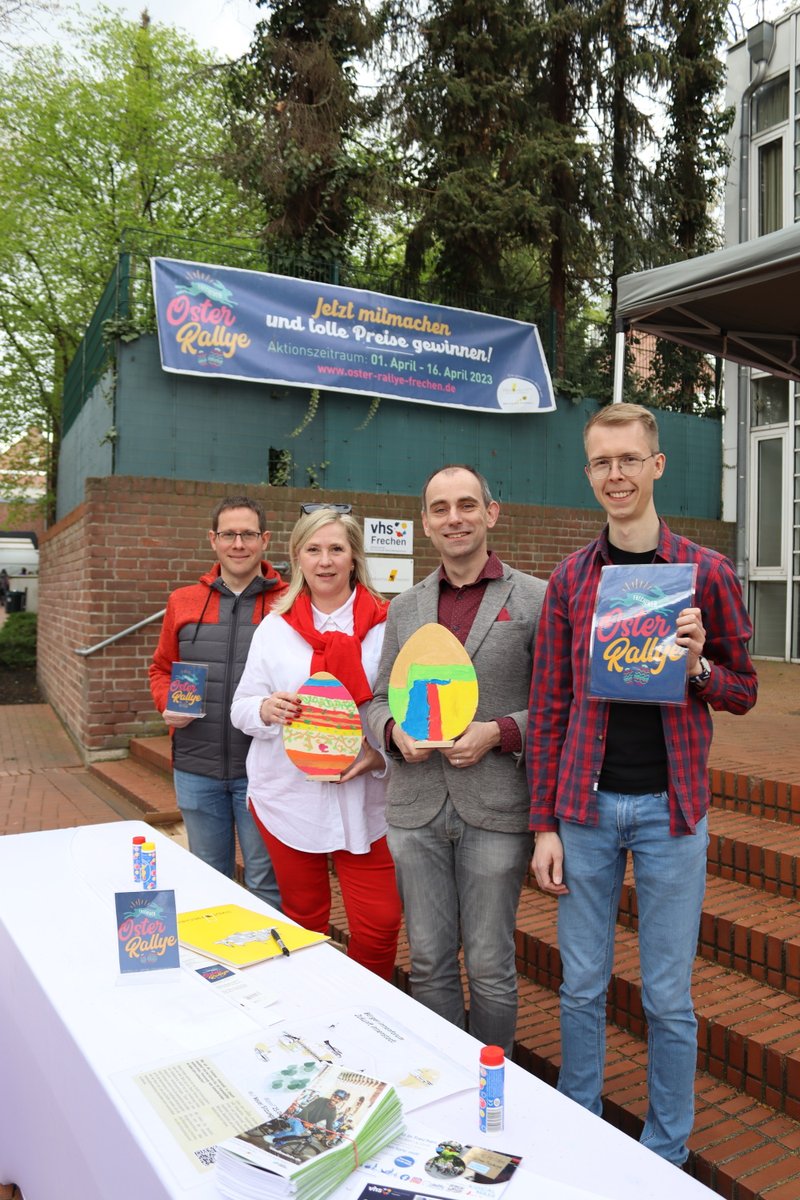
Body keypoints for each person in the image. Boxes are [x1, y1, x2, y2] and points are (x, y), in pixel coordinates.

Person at [526, 402, 757, 1167]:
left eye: (629, 459)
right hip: (586, 810)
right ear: (588, 472)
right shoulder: (571, 580)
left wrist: (696, 666)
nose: (615, 474)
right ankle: (581, 1128)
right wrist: (546, 825)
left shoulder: (707, 573)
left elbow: (743, 689)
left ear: (656, 466)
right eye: (601, 462)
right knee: (583, 986)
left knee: (667, 998)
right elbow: (553, 704)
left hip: (672, 813)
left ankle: (665, 1154)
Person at [368, 465, 546, 1055]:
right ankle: (444, 1078)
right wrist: (393, 731)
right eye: (440, 508)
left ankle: (494, 1087)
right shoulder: (404, 608)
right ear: (425, 523)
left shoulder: (535, 598)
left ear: (490, 513)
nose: (455, 518)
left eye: (467, 505)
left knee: (492, 963)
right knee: (428, 960)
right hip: (415, 808)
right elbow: (374, 700)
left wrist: (497, 733)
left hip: (494, 808)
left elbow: (558, 706)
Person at [230, 506, 401, 980]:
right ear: (298, 558)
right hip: (291, 799)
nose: (325, 561)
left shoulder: (389, 628)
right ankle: (312, 1006)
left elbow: (407, 715)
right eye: (314, 550)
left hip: (366, 803)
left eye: (336, 549)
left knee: (381, 923)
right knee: (303, 920)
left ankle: (371, 1011)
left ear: (353, 558)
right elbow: (241, 706)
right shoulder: (275, 629)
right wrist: (266, 710)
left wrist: (380, 756)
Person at [149, 496, 285, 907]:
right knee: (208, 880)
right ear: (213, 540)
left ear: (264, 540)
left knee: (266, 883)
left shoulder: (288, 603)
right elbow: (161, 669)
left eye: (247, 534)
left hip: (265, 771)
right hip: (196, 767)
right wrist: (164, 704)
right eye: (229, 534)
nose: (238, 544)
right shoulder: (183, 601)